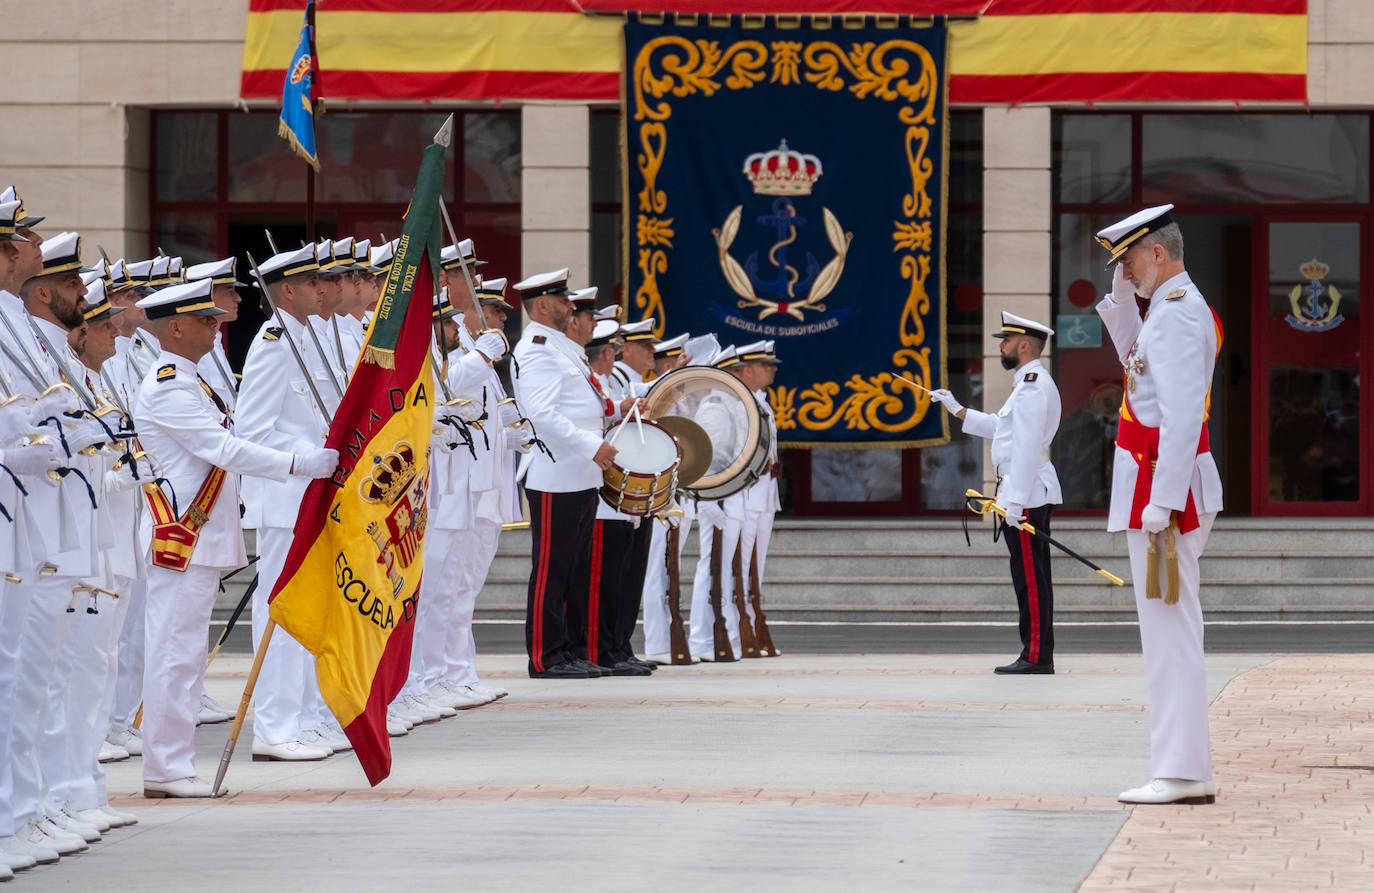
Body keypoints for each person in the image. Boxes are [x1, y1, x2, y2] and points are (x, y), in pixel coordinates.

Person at [132, 277, 338, 797]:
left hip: (199, 538)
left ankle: (173, 765)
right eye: (204, 320)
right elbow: (226, 449)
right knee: (173, 655)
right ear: (175, 329)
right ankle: (166, 768)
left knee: (185, 655)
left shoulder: (193, 382)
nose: (215, 327)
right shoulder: (168, 387)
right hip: (181, 537)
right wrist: (301, 464)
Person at [1093, 205, 1223, 806]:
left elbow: (1179, 418)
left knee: (1170, 635)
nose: (1125, 272)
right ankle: (1181, 768)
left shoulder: (1178, 314)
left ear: (1159, 253)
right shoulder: (1168, 311)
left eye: (1129, 262)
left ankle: (1182, 772)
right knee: (1166, 634)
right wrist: (1121, 299)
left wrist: (1163, 502)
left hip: (1163, 488)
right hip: (1155, 483)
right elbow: (1134, 365)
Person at [236, 244, 342, 762]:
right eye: (314, 282)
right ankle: (275, 729)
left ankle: (301, 719)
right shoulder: (274, 343)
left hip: (310, 497)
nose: (325, 289)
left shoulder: (305, 338)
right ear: (288, 291)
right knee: (280, 610)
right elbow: (250, 432)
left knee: (307, 611)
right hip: (284, 498)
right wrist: (305, 458)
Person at [510, 270, 637, 678]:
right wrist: (591, 445)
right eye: (563, 299)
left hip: (580, 472)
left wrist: (616, 412)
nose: (571, 305)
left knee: (574, 570)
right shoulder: (537, 349)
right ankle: (545, 656)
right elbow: (541, 413)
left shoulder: (562, 348)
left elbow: (585, 405)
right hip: (556, 472)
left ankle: (568, 650)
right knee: (552, 569)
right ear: (542, 306)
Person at [932, 312, 1062, 674]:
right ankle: (1036, 653)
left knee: (1031, 579)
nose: (1001, 346)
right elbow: (1003, 429)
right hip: (1023, 492)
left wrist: (1015, 502)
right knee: (1029, 576)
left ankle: (1036, 656)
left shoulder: (1033, 386)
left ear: (1025, 346)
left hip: (1027, 494)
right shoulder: (1026, 385)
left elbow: (1026, 447)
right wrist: (958, 409)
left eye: (1006, 341)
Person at [734, 340, 783, 656]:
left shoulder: (761, 402)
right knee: (739, 568)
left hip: (764, 493)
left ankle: (751, 627)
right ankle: (738, 631)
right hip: (746, 494)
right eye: (765, 365)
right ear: (747, 370)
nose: (772, 370)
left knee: (755, 569)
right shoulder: (739, 402)